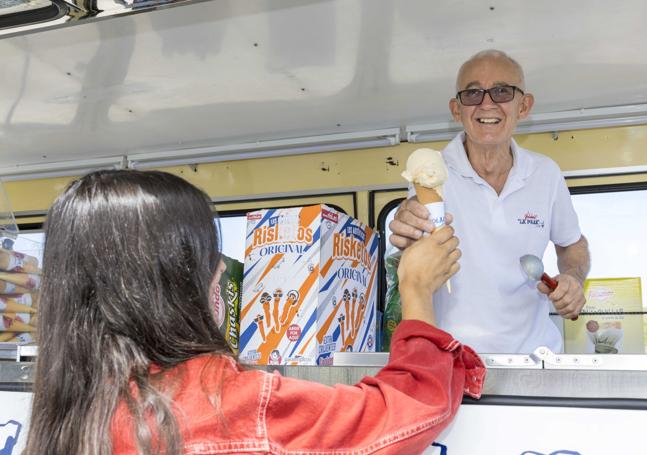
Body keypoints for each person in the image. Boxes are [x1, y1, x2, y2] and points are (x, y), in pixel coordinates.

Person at [25, 170, 485, 455]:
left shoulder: (68, 404)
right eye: (206, 253)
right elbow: (403, 413)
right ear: (172, 279)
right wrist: (417, 291)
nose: (221, 266)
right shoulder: (234, 407)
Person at [390, 49, 591, 354]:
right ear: (456, 110)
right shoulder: (431, 173)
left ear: (523, 106)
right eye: (472, 93)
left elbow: (572, 244)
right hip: (453, 357)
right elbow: (415, 253)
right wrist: (406, 236)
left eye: (501, 91)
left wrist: (573, 279)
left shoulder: (546, 173)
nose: (486, 103)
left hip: (534, 355)